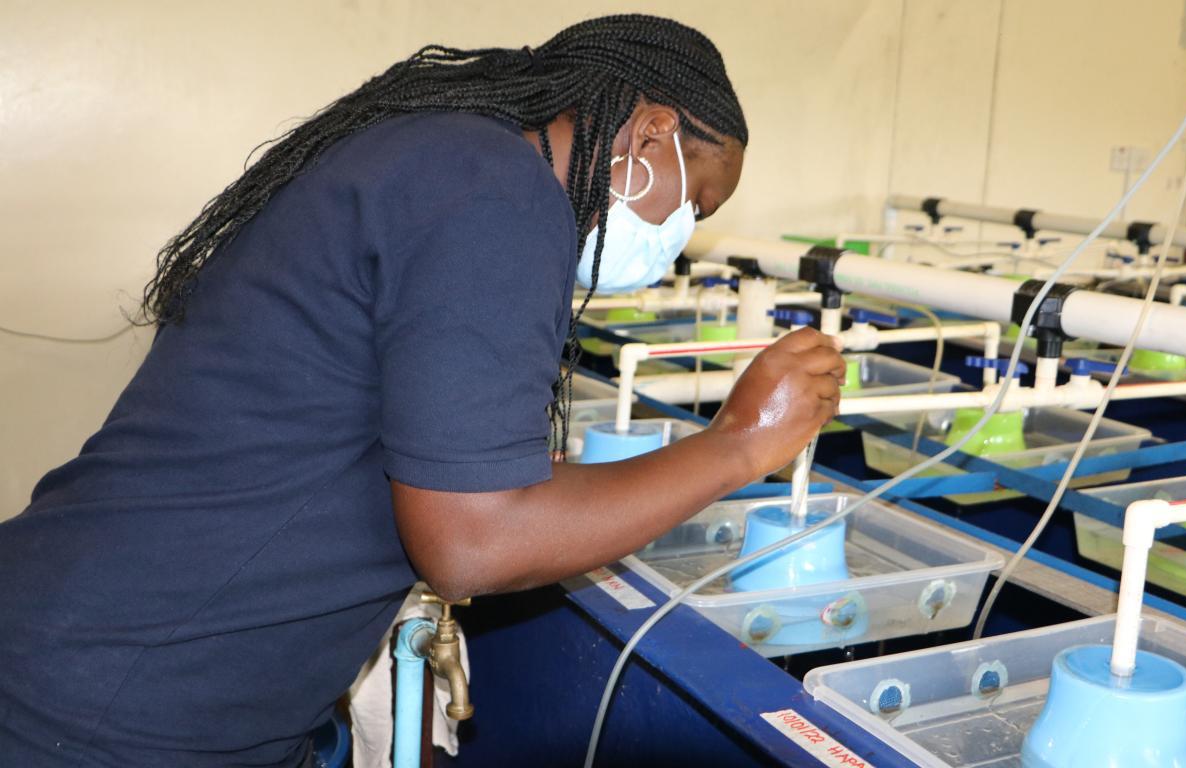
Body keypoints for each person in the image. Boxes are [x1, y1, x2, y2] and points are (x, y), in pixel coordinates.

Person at [0, 14, 844, 767]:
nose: (679, 239)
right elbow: (475, 539)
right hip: (106, 705)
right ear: (650, 133)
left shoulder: (444, 160)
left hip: (105, 653)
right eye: (694, 201)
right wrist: (740, 441)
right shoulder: (497, 195)